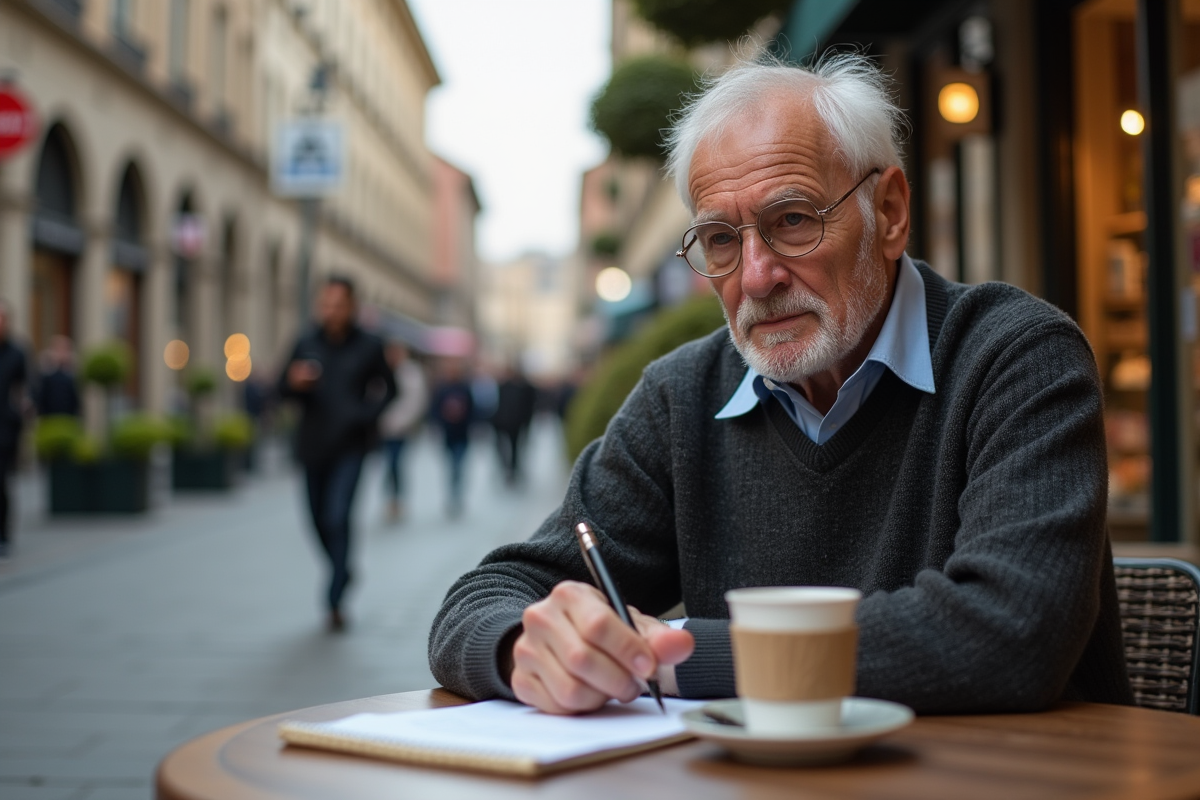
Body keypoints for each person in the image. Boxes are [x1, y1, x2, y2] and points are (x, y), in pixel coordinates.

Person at [429, 54, 1133, 716]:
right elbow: (482, 600)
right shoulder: (684, 395)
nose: (757, 276)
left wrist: (689, 657)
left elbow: (1015, 631)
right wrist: (531, 646)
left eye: (792, 220)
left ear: (888, 212)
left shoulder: (1014, 355)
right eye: (722, 241)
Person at [278, 277, 396, 631]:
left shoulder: (370, 345)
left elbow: (391, 389)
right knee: (316, 519)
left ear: (352, 306)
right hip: (312, 445)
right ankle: (342, 568)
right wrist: (293, 383)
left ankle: (334, 598)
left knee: (337, 515)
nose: (330, 311)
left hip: (350, 445)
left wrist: (365, 416)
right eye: (325, 304)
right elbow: (281, 388)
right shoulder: (306, 341)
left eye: (338, 304)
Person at [378, 341, 428, 522]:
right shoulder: (382, 369)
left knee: (395, 464)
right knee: (389, 465)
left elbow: (415, 402)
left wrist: (399, 422)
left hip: (401, 429)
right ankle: (392, 499)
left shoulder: (410, 373)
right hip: (382, 428)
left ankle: (396, 500)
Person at [0, 301, 29, 560]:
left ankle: (4, 536)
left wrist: (21, 414)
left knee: (3, 482)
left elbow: (24, 390)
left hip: (6, 429)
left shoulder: (17, 353)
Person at [430, 357, 475, 518]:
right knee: (451, 467)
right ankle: (452, 495)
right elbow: (434, 410)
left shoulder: (465, 388)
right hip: (448, 435)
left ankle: (456, 496)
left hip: (462, 435)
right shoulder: (442, 389)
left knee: (458, 466)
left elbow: (472, 410)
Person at [491, 365, 538, 485]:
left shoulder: (525, 388)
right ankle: (508, 468)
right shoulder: (501, 387)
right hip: (501, 423)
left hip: (516, 424)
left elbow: (529, 407)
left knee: (515, 448)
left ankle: (513, 470)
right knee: (502, 448)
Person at [33, 335, 80, 417]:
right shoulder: (46, 372)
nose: (61, 353)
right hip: (49, 416)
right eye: (58, 350)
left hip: (68, 417)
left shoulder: (72, 373)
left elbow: (75, 399)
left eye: (64, 350)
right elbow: (40, 397)